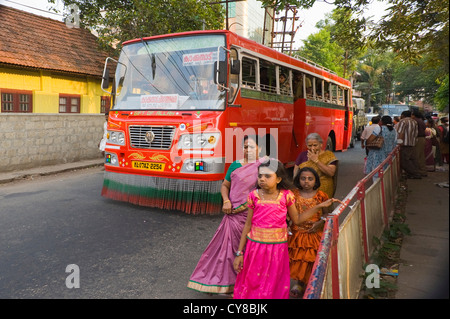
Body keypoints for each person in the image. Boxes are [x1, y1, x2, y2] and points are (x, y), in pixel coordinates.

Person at [232, 159, 340, 299]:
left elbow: (297, 219)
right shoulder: (254, 196)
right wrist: (239, 253)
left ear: (278, 179)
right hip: (255, 247)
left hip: (278, 249)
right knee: (253, 280)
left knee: (273, 283)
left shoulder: (286, 196)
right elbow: (248, 225)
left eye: (267, 176)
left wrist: (319, 206)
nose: (262, 179)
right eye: (260, 176)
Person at [187, 135, 265, 295]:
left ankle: (245, 285)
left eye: (251, 147)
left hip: (253, 215)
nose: (247, 150)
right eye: (245, 147)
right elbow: (225, 185)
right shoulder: (235, 165)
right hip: (233, 213)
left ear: (260, 149)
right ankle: (221, 283)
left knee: (250, 251)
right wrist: (226, 200)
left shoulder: (264, 166)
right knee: (226, 251)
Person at [288, 167, 331, 298]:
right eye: (303, 178)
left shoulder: (322, 196)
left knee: (312, 260)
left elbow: (328, 214)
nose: (306, 182)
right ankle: (299, 284)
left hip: (314, 234)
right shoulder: (292, 195)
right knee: (299, 260)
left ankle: (312, 286)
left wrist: (320, 223)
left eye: (310, 179)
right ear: (298, 180)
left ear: (316, 181)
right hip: (297, 234)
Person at [293, 133, 338, 198]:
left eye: (315, 145)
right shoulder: (302, 155)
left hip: (324, 190)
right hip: (305, 190)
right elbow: (296, 173)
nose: (312, 148)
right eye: (310, 146)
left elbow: (331, 173)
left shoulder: (329, 155)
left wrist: (316, 161)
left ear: (321, 144)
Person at [397, 110, 421, 179]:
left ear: (403, 115)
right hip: (412, 143)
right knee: (413, 160)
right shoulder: (414, 121)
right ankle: (414, 173)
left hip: (405, 144)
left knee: (404, 161)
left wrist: (399, 142)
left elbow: (401, 132)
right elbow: (416, 133)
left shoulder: (403, 121)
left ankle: (415, 174)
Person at [412, 110, 427, 176]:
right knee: (421, 155)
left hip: (418, 138)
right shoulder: (421, 121)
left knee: (417, 156)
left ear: (414, 115)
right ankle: (422, 171)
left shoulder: (415, 121)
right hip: (422, 138)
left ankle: (418, 171)